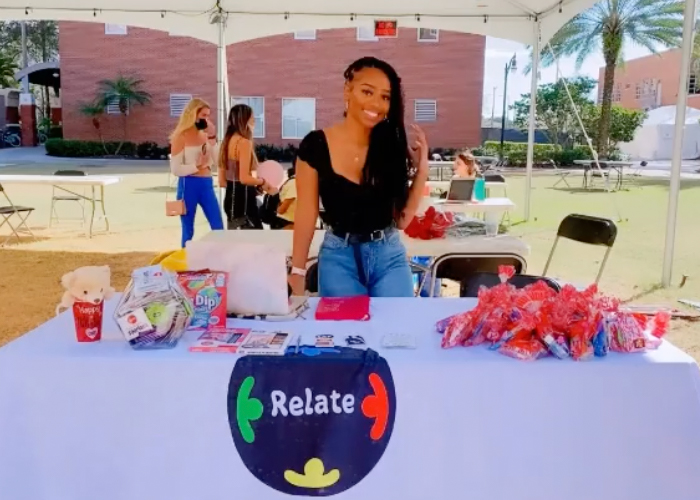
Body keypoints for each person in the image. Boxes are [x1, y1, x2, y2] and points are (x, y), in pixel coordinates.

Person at [289, 56, 429, 297]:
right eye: (367, 92)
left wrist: (422, 170)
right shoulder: (315, 145)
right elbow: (306, 212)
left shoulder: (390, 146)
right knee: (344, 334)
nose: (376, 103)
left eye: (385, 97)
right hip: (338, 257)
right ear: (348, 90)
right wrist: (298, 271)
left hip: (389, 256)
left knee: (397, 331)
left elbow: (403, 221)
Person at [169, 98, 224, 248]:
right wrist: (196, 165)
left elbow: (218, 161)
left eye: (208, 116)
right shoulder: (180, 136)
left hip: (206, 184)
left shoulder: (206, 135)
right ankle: (186, 261)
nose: (206, 119)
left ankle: (220, 258)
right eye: (203, 115)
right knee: (188, 230)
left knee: (218, 225)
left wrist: (212, 138)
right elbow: (175, 169)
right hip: (188, 184)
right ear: (192, 114)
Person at [218, 104, 273, 229]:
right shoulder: (244, 143)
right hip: (244, 204)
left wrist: (252, 188)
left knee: (236, 243)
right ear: (245, 120)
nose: (254, 120)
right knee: (254, 242)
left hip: (230, 202)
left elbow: (222, 182)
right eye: (252, 117)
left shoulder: (225, 143)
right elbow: (244, 179)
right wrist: (262, 181)